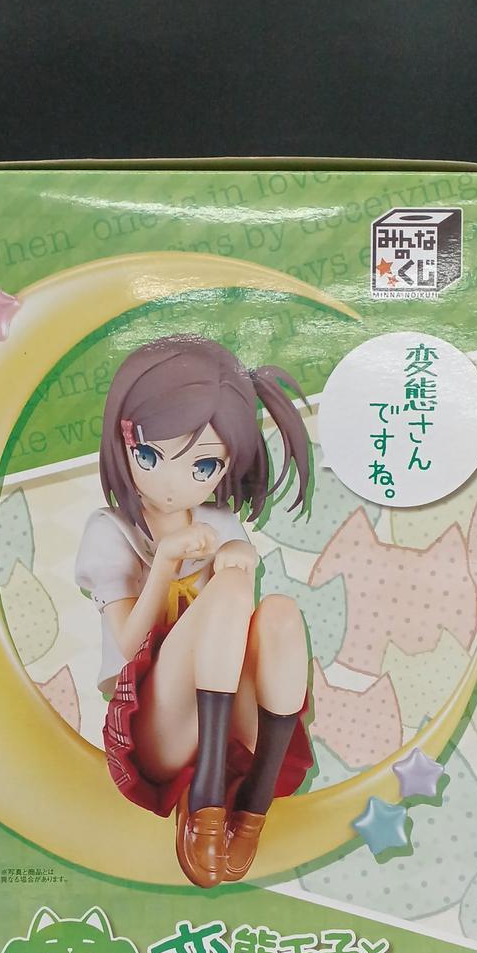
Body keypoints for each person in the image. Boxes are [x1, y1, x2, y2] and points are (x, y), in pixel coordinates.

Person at [75, 334, 313, 888]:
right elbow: (128, 646)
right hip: (156, 725)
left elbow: (247, 610)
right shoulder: (111, 532)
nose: (173, 483)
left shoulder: (221, 525)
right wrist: (164, 563)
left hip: (233, 728)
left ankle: (253, 798)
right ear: (123, 442)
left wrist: (238, 560)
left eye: (204, 465)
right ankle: (204, 795)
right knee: (226, 593)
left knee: (279, 611)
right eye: (150, 456)